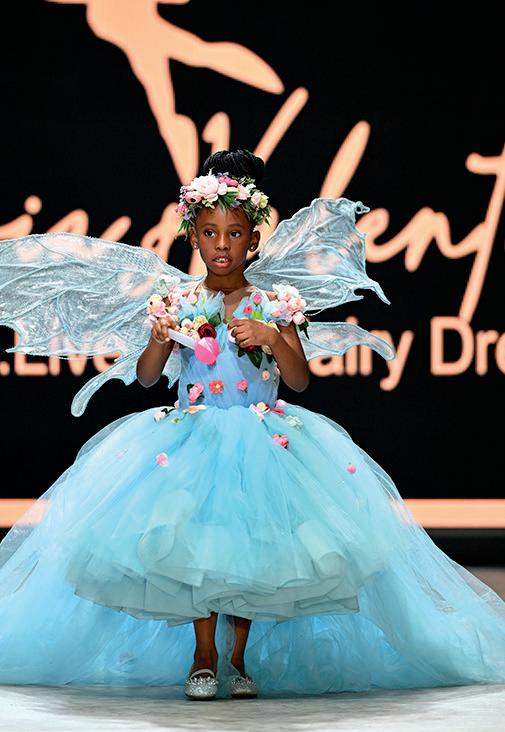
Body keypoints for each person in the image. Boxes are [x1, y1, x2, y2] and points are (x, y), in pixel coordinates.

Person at [1, 149, 505, 702]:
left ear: (253, 240)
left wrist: (271, 337)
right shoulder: (177, 301)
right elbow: (147, 378)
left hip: (263, 441)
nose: (222, 245)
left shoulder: (275, 304)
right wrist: (159, 339)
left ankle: (237, 657)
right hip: (190, 440)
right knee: (194, 545)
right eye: (210, 233)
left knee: (253, 548)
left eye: (235, 233)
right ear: (194, 237)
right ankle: (203, 654)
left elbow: (300, 380)